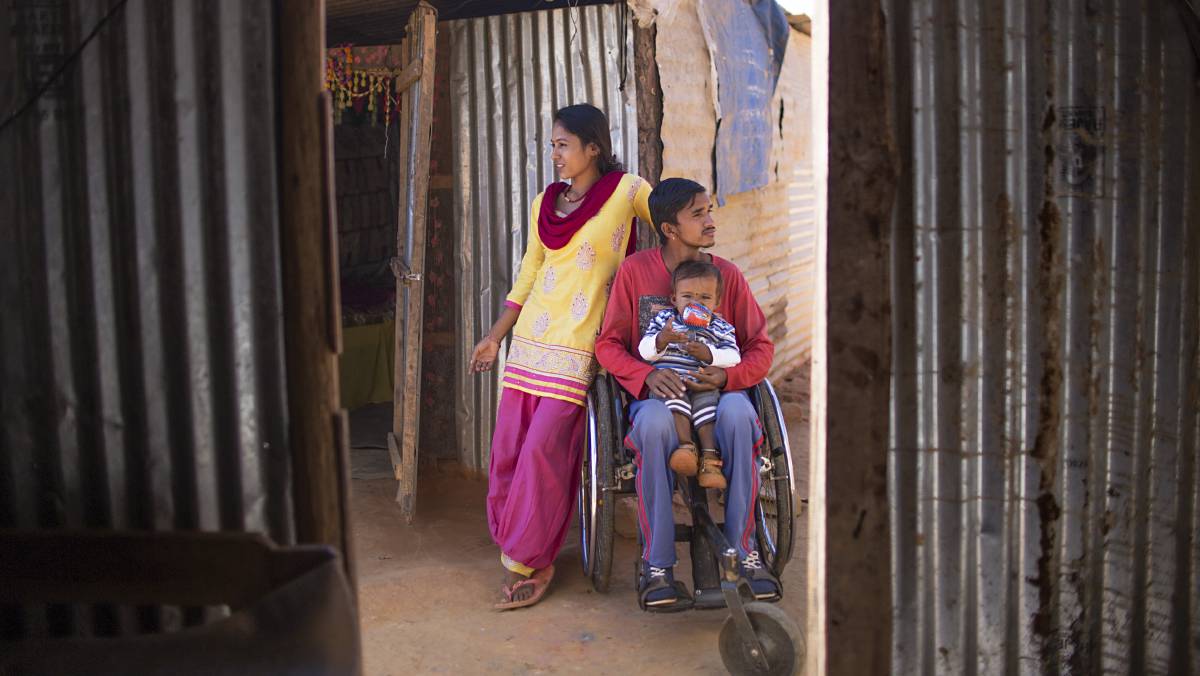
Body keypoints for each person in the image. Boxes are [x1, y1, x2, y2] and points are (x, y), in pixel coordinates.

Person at [469, 103, 652, 610]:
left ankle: (533, 559)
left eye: (562, 144)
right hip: (529, 343)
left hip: (577, 347)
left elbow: (675, 218)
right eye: (551, 144)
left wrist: (693, 279)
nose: (554, 154)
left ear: (593, 148)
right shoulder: (544, 202)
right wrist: (495, 337)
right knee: (509, 448)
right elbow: (529, 274)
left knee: (543, 453)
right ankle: (518, 547)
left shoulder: (628, 191)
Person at [595, 177, 781, 611]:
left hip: (720, 393)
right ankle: (657, 565)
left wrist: (726, 377)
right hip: (660, 395)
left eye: (709, 210)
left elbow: (760, 347)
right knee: (656, 424)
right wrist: (643, 376)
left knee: (738, 416)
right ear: (669, 228)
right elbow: (608, 345)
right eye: (698, 214)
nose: (711, 221)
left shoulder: (727, 277)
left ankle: (744, 556)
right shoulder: (635, 273)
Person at [638, 260, 740, 490]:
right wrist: (661, 340)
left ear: (717, 302)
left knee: (709, 410)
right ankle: (686, 448)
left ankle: (710, 459)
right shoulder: (666, 321)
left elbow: (734, 356)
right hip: (672, 383)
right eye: (687, 297)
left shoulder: (720, 327)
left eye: (705, 298)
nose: (695, 303)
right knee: (673, 402)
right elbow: (644, 351)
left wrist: (710, 354)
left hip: (704, 384)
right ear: (674, 299)